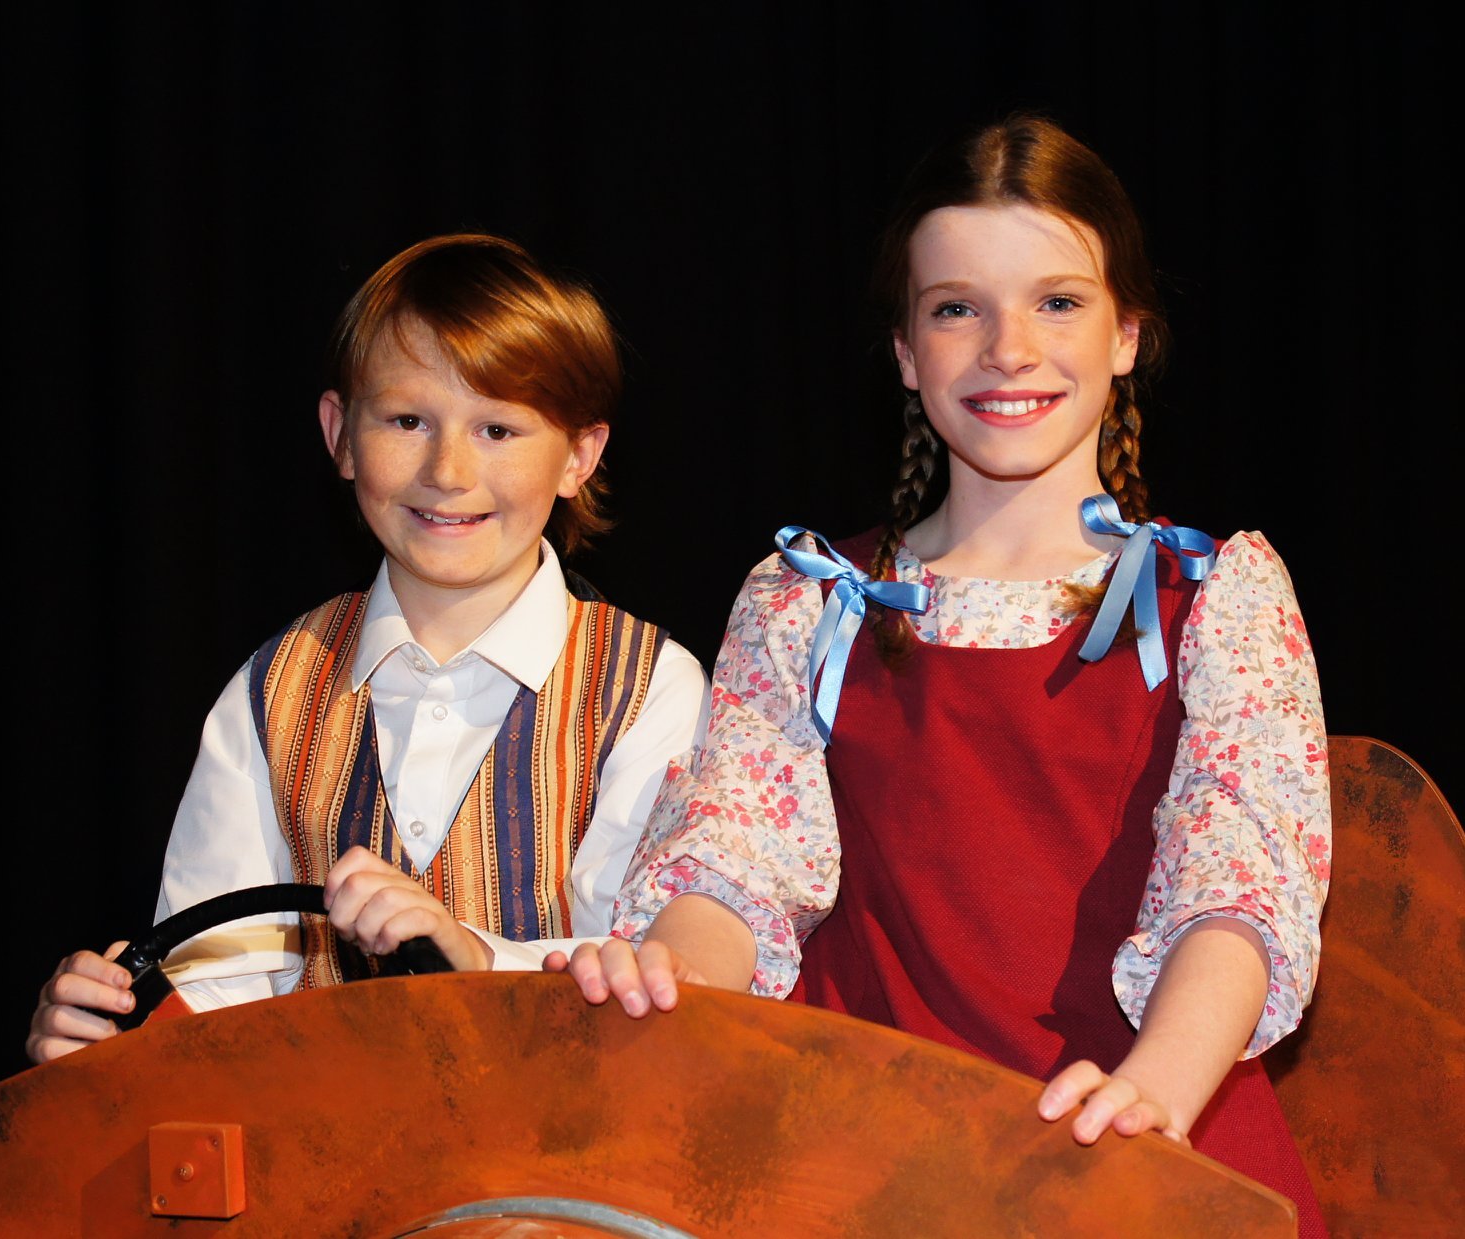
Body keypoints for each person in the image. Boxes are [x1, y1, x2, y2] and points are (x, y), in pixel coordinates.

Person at [559, 117, 1329, 1233]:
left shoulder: (1215, 596)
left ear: (1126, 333)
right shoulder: (808, 598)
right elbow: (735, 861)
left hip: (1149, 1154)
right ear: (906, 353)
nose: (1008, 348)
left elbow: (1241, 883)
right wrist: (667, 973)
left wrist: (1152, 1092)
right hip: (869, 1170)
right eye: (957, 308)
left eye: (1056, 302)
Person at [27, 233, 709, 1062]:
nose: (448, 470)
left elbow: (656, 980)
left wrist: (471, 956)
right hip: (314, 1145)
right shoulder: (273, 689)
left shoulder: (648, 689)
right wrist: (111, 1039)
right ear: (340, 434)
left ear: (580, 455)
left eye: (497, 428)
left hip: (559, 1143)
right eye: (408, 420)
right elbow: (215, 1000)